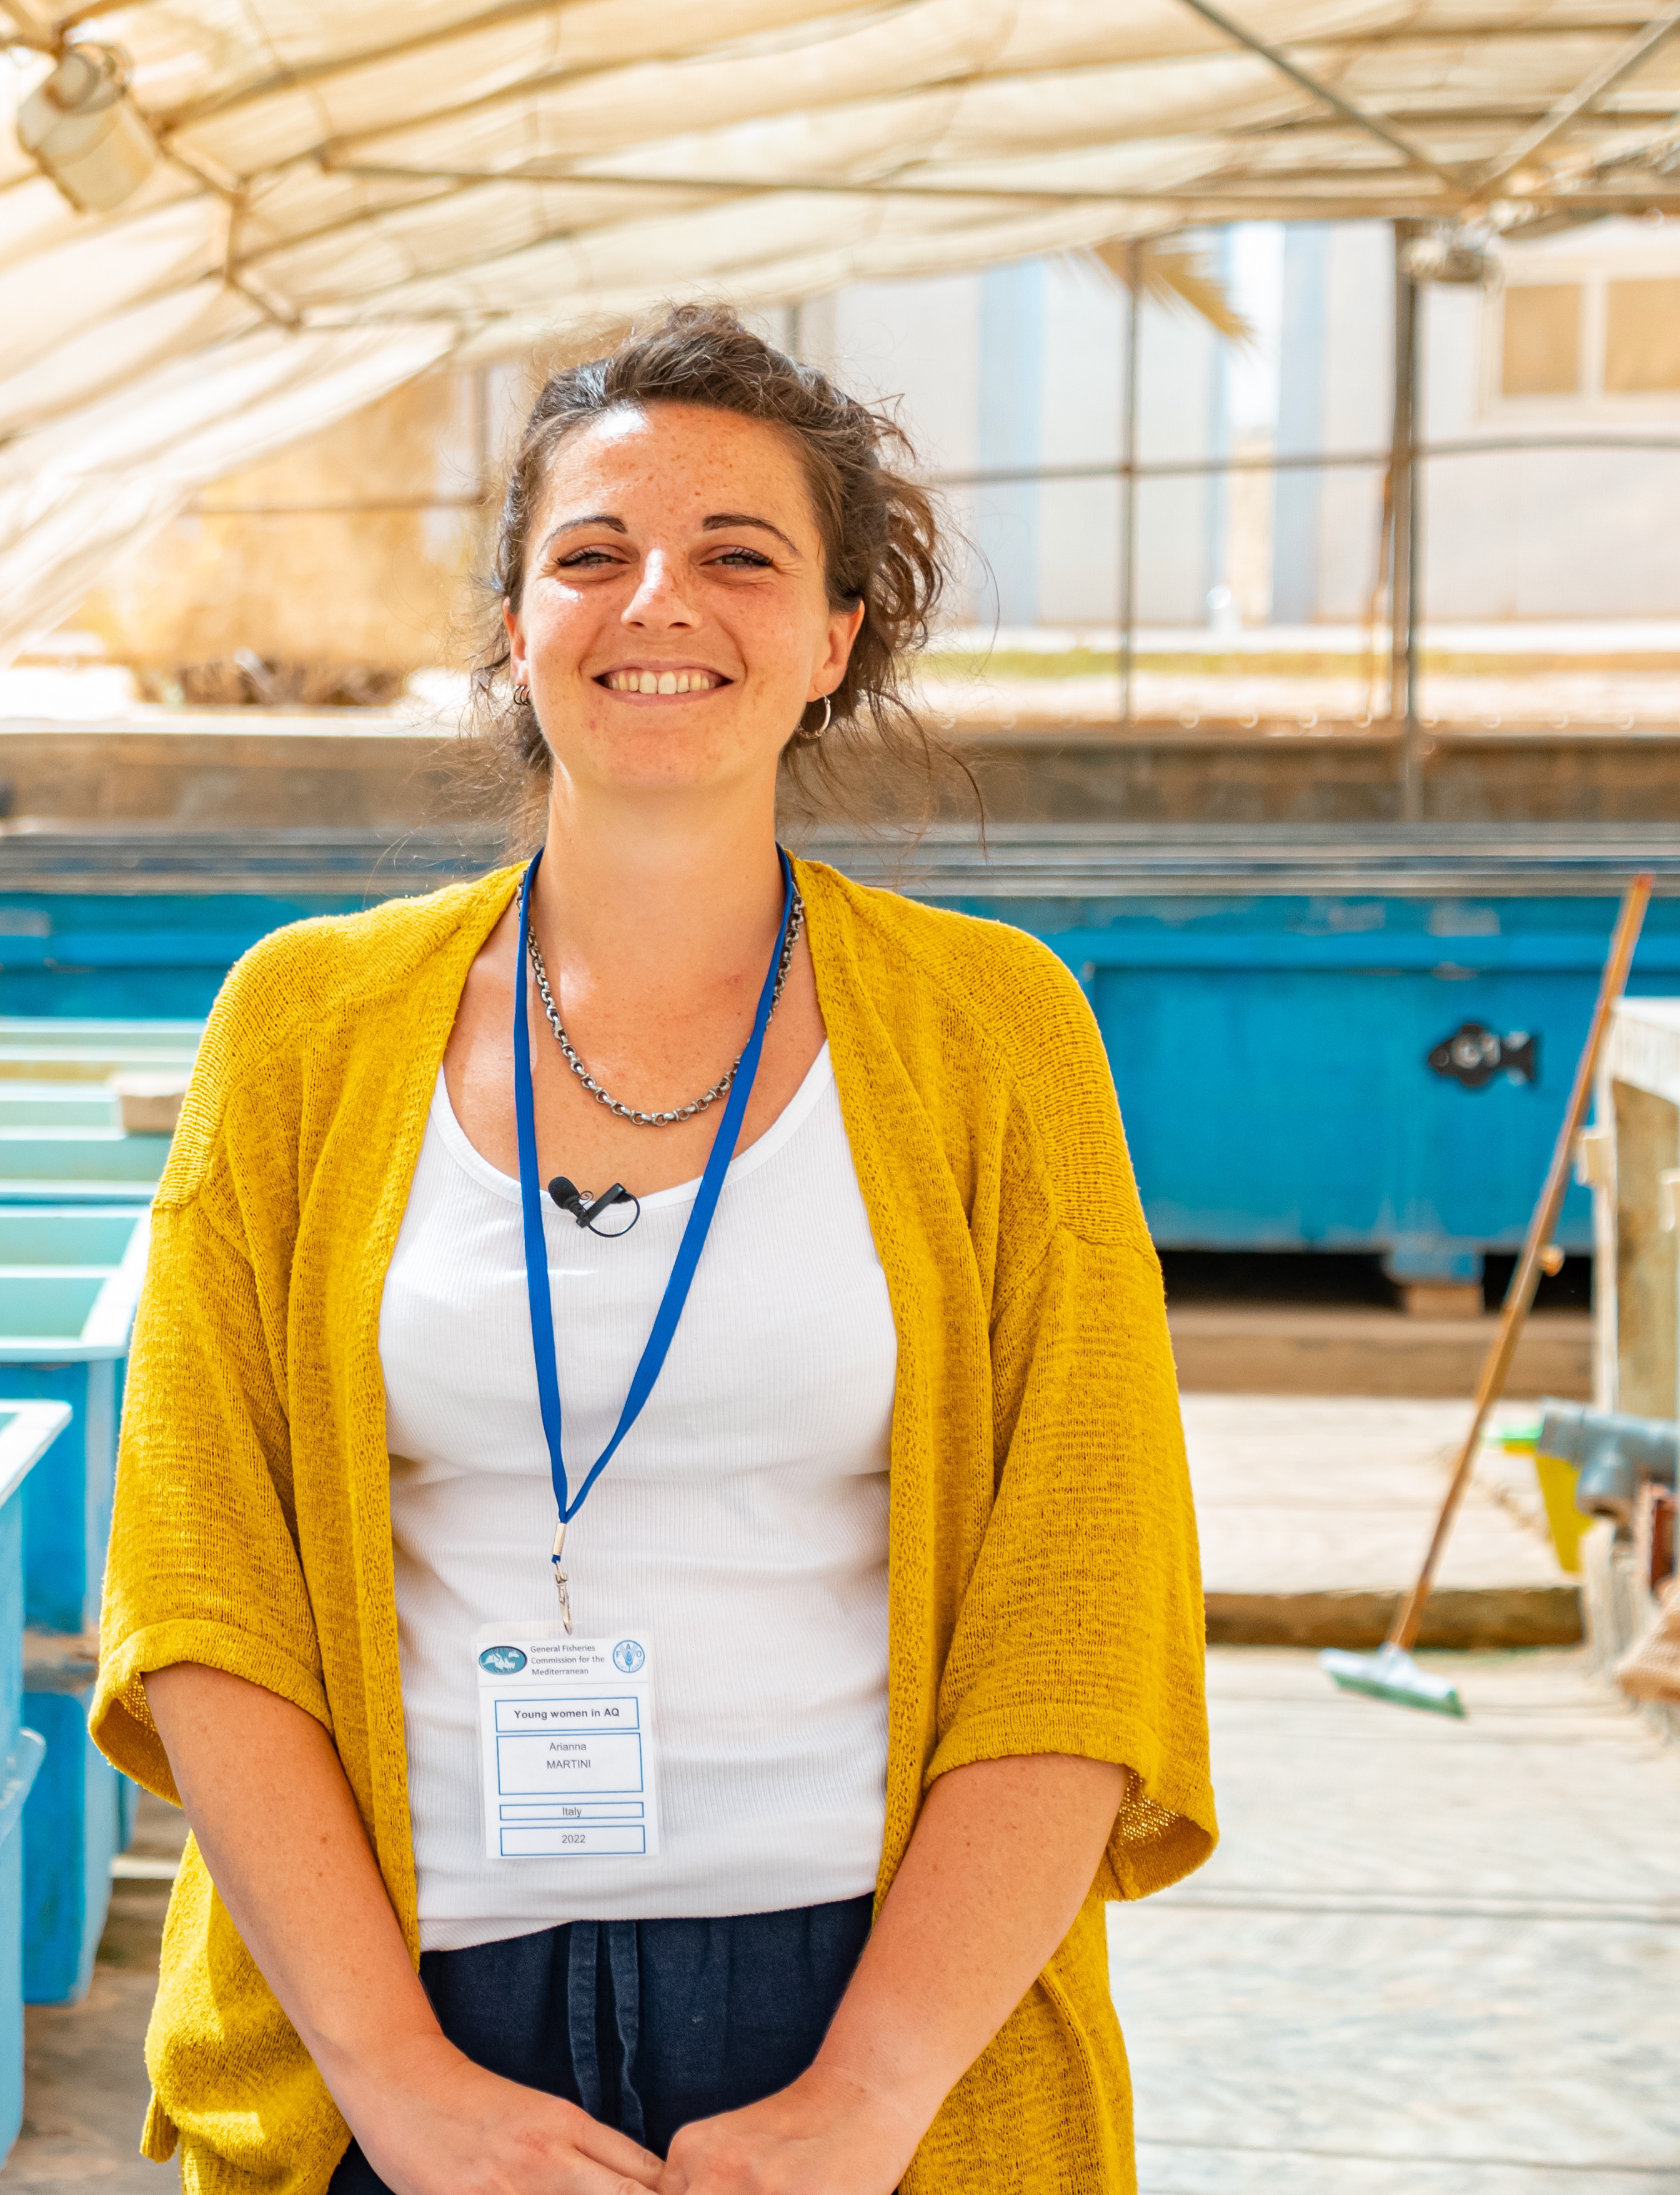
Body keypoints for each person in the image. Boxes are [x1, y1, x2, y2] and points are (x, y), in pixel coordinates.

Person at [89, 305, 1213, 2195]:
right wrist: (396, 2080)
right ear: (518, 627)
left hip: (864, 2022)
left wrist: (866, 2098)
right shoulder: (301, 1026)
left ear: (838, 632)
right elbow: (203, 1589)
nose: (657, 599)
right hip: (398, 2018)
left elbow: (1078, 1612)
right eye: (590, 554)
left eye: (740, 555)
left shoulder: (993, 1032)